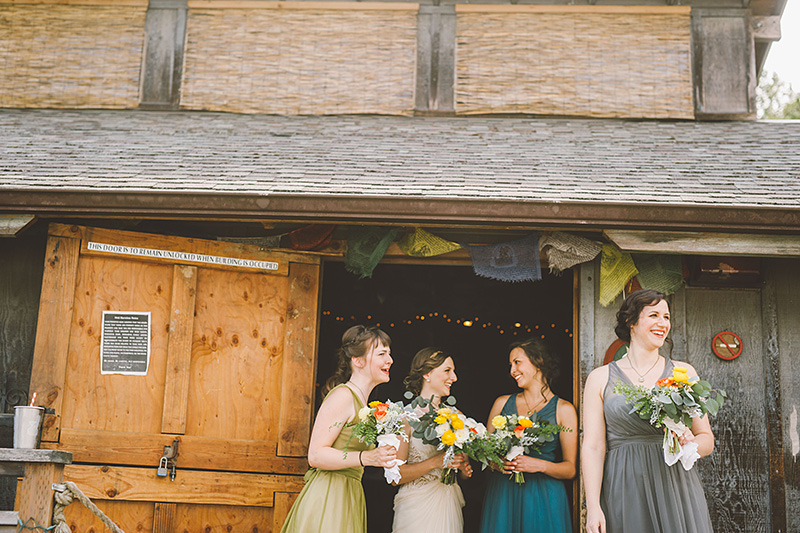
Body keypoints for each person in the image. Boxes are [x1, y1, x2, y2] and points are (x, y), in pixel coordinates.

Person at [582, 289, 715, 533]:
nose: (663, 323)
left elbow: (706, 438)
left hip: (675, 486)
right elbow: (593, 447)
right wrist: (592, 506)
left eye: (666, 317)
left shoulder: (684, 373)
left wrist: (690, 445)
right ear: (630, 321)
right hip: (624, 486)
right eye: (654, 315)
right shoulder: (599, 378)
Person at [280, 325, 398, 533]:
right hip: (329, 495)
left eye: (389, 354)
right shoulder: (343, 396)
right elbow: (316, 455)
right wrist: (365, 458)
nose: (389, 360)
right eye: (381, 354)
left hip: (350, 493)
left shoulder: (364, 403)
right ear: (358, 360)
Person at [480, 338, 578, 533]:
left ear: (539, 361)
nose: (512, 371)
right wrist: (498, 464)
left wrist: (539, 465)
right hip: (504, 495)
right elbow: (483, 453)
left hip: (543, 498)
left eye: (517, 362)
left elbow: (570, 470)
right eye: (510, 365)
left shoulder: (563, 409)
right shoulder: (501, 403)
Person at [392, 347, 472, 533]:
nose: (454, 377)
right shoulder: (405, 417)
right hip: (416, 507)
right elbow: (395, 477)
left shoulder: (457, 416)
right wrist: (435, 462)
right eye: (447, 371)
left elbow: (465, 473)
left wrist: (463, 467)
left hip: (448, 502)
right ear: (427, 374)